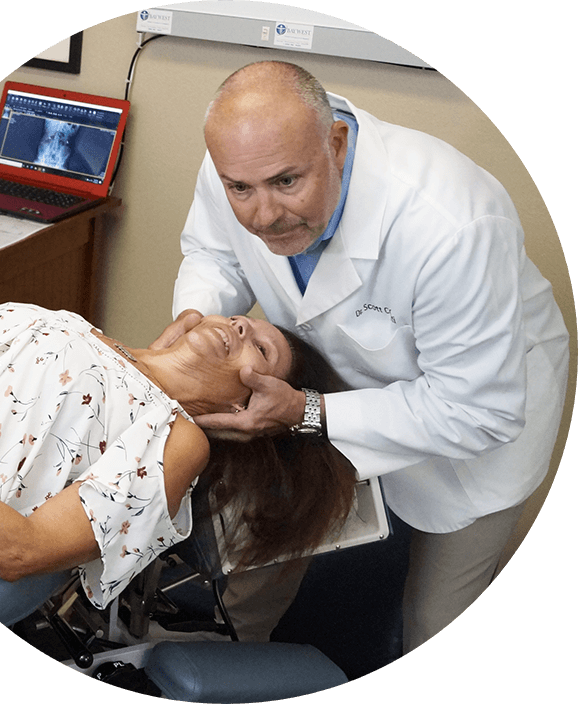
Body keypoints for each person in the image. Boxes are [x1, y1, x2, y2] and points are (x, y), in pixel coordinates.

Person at [153, 61, 570, 651]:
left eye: (287, 184)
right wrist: (195, 333)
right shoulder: (244, 156)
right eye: (240, 190)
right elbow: (214, 255)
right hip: (325, 391)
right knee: (275, 546)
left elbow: (479, 411)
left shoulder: (450, 223)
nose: (263, 214)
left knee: (434, 615)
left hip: (475, 424)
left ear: (338, 143)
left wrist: (308, 413)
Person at [0, 302, 356, 627]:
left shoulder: (174, 436)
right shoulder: (86, 329)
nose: (240, 326)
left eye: (261, 349)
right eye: (241, 320)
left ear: (249, 409)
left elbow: (20, 551)